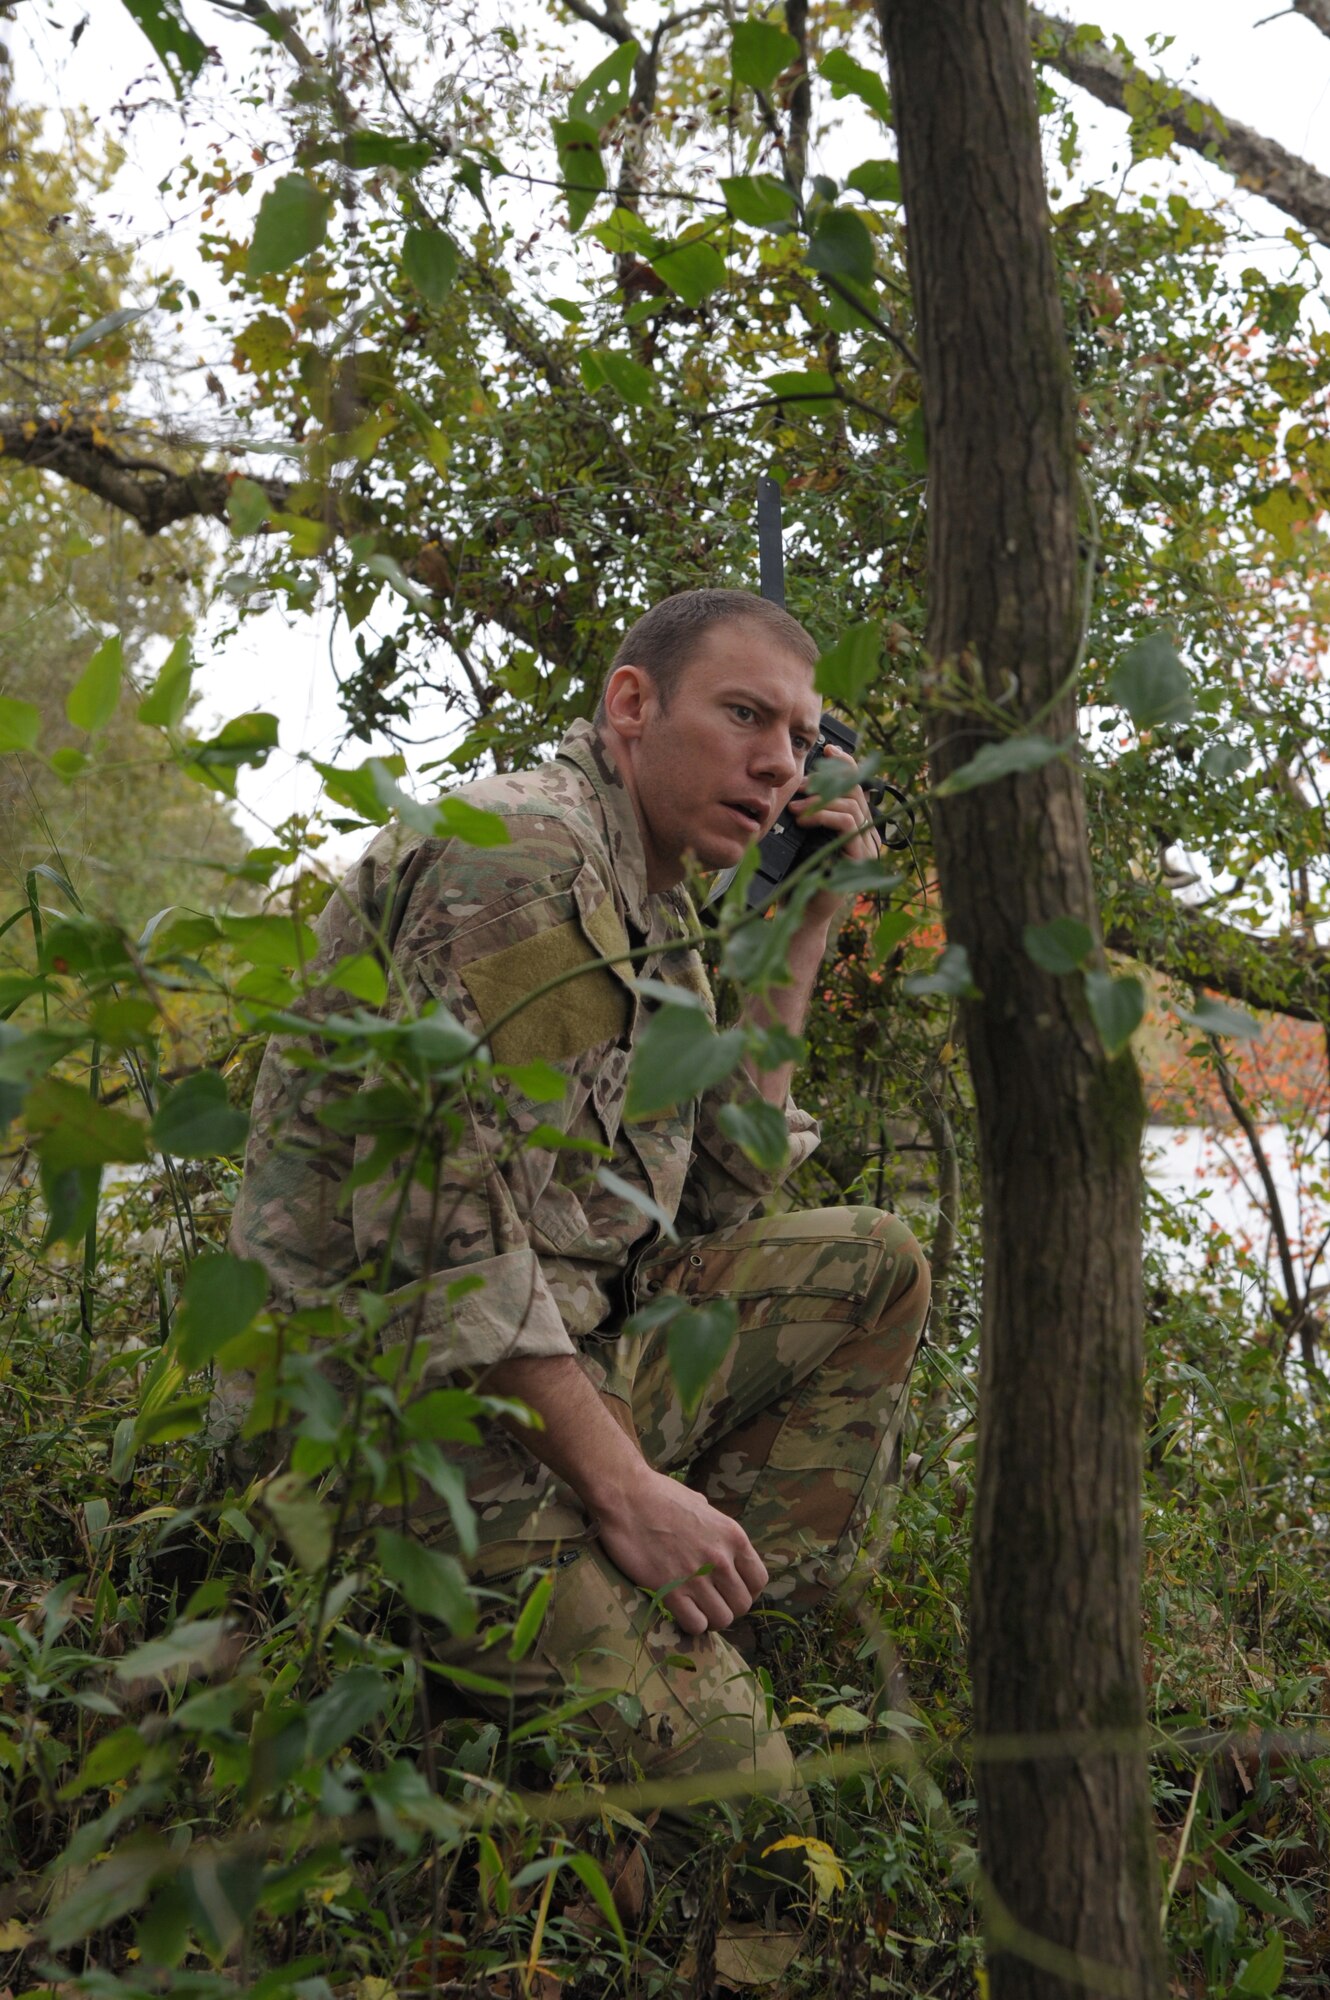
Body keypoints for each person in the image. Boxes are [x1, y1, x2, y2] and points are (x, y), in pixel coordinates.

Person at [226, 587, 930, 1852]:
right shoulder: (524, 858)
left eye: (800, 737)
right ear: (629, 705)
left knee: (868, 1260)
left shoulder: (651, 899)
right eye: (743, 715)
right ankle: (530, 1661)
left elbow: (719, 1192)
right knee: (750, 1824)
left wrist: (803, 924)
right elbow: (445, 1251)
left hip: (540, 1379)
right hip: (392, 1427)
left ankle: (683, 1619)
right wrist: (625, 1484)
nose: (776, 762)